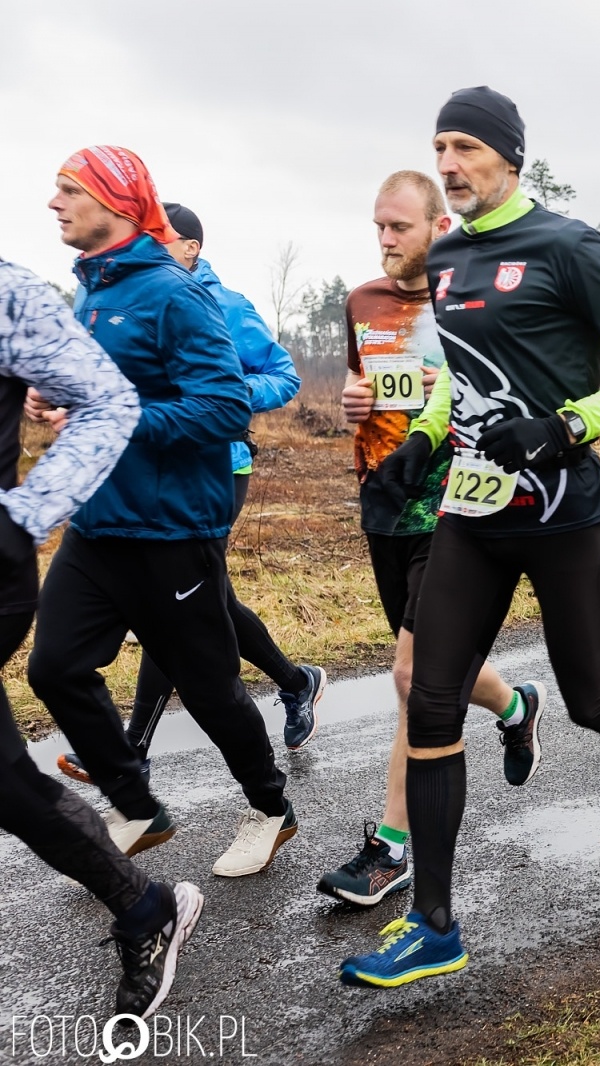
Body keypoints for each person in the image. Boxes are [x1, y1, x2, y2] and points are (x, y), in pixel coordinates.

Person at [340, 88, 600, 987]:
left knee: (587, 695)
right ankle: (435, 925)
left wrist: (567, 426)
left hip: (561, 513)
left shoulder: (568, 246)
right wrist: (419, 443)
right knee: (428, 694)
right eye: (440, 148)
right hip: (470, 510)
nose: (451, 164)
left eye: (465, 148)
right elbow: (456, 380)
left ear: (509, 159)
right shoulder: (450, 255)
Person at [31, 146, 298, 878]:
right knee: (53, 668)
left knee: (212, 692)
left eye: (67, 190)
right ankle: (136, 802)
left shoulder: (175, 295)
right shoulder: (92, 291)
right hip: (98, 524)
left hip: (173, 531)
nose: (53, 203)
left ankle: (271, 810)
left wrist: (111, 413)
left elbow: (221, 407)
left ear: (115, 204)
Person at [319, 170, 538, 908]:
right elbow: (365, 389)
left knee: (412, 680)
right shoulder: (361, 303)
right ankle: (514, 707)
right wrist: (354, 401)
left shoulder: (465, 299)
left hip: (454, 512)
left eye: (399, 228)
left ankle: (391, 849)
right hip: (384, 506)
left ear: (438, 227)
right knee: (427, 674)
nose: (385, 241)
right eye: (377, 227)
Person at [56, 201, 323, 785]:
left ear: (190, 247)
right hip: (143, 476)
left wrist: (214, 397)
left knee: (171, 608)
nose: (147, 242)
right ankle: (296, 681)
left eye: (161, 235)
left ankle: (136, 747)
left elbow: (282, 375)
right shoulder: (125, 296)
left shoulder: (223, 303)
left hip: (217, 469)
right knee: (203, 604)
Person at [0, 256, 202, 1019]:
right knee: (10, 784)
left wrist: (25, 513)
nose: (58, 202)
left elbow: (112, 401)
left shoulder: (10, 293)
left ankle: (158, 864)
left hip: (115, 533)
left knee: (208, 662)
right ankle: (144, 907)